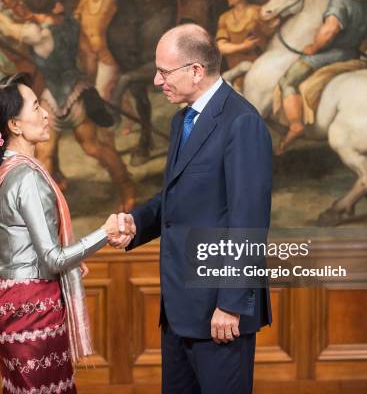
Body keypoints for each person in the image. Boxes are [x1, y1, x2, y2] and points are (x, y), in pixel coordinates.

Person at [113, 24, 272, 393]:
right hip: (179, 309)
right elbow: (176, 198)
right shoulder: (181, 119)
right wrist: (135, 223)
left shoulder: (242, 123)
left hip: (219, 310)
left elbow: (249, 221)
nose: (156, 80)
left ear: (196, 71)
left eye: (164, 72)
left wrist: (231, 304)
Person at [0, 73, 134, 393]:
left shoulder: (4, 173)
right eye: (36, 107)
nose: (47, 113)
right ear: (14, 125)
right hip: (31, 309)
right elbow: (53, 259)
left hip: (9, 303)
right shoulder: (27, 178)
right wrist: (105, 232)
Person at [0, 0, 136, 211]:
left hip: (53, 97)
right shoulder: (69, 23)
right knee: (93, 146)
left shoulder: (36, 33)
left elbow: (8, 28)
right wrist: (85, 81)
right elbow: (88, 57)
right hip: (77, 92)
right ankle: (127, 188)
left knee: (45, 155)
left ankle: (43, 209)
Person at [276, 0, 367, 154]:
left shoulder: (341, 2)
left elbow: (330, 30)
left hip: (327, 56)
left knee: (288, 81)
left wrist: (313, 47)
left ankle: (296, 125)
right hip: (353, 55)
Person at [216, 0, 277, 88]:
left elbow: (271, 34)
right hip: (235, 72)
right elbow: (220, 47)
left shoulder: (257, 12)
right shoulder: (224, 18)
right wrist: (244, 46)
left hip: (258, 69)